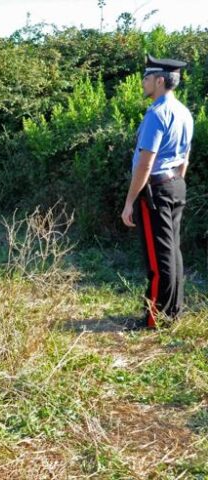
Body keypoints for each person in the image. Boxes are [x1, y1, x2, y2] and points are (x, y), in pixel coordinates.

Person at [121, 54, 194, 329]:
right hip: (176, 184)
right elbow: (184, 157)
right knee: (172, 251)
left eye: (146, 78)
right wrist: (174, 184)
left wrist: (130, 201)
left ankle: (155, 320)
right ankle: (172, 312)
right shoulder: (184, 112)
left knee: (157, 258)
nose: (143, 82)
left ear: (160, 80)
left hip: (155, 189)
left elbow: (145, 162)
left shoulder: (157, 113)